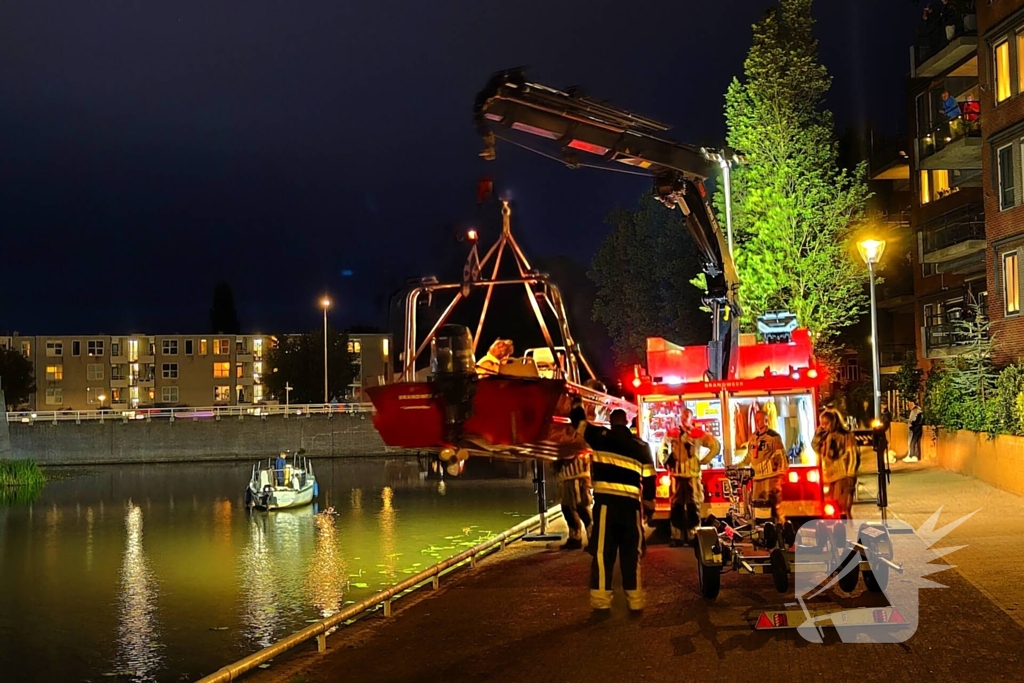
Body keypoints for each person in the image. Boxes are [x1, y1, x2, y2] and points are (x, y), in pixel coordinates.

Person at [572, 407, 656, 613]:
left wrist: (575, 404)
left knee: (602, 554)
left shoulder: (600, 438)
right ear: (627, 422)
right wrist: (648, 506)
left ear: (610, 422)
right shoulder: (641, 446)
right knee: (631, 555)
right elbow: (650, 478)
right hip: (631, 509)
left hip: (606, 508)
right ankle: (635, 601)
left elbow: (580, 424)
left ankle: (601, 602)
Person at [664, 408, 720, 547]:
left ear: (692, 418)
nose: (683, 419)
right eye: (682, 416)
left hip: (693, 476)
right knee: (676, 507)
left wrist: (704, 460)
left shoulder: (699, 434)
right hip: (676, 476)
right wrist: (665, 460)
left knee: (693, 506)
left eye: (686, 416)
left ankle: (694, 536)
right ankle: (677, 537)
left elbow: (715, 446)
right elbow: (663, 447)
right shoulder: (672, 433)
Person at [736, 410, 788, 526]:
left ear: (766, 420)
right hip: (757, 478)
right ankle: (762, 530)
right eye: (756, 419)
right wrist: (737, 465)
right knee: (758, 505)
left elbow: (780, 458)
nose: (757, 422)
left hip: (770, 478)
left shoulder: (773, 437)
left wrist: (777, 474)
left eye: (760, 419)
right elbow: (749, 457)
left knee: (772, 505)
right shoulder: (753, 437)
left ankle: (779, 529)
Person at [555, 400, 593, 551]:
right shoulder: (563, 428)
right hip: (566, 476)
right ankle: (575, 536)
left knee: (581, 506)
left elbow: (576, 446)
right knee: (566, 508)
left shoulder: (580, 430)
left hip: (578, 475)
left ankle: (593, 538)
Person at [814, 409, 858, 519]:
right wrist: (817, 436)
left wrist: (850, 475)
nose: (824, 426)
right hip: (829, 477)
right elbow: (816, 449)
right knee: (831, 508)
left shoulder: (846, 436)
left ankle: (847, 532)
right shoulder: (824, 436)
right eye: (822, 424)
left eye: (826, 423)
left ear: (834, 422)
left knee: (843, 508)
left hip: (842, 476)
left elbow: (852, 456)